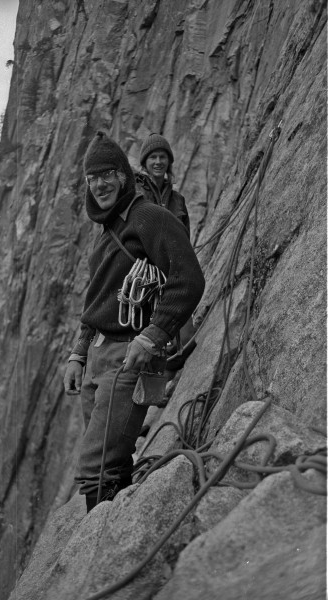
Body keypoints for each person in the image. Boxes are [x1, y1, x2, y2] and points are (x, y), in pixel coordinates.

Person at [64, 131, 205, 513]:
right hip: (98, 356)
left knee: (96, 465)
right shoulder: (109, 227)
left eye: (107, 174)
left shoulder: (149, 217)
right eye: (92, 178)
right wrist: (78, 354)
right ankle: (119, 524)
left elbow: (188, 279)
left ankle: (100, 554)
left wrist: (152, 336)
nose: (100, 184)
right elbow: (98, 298)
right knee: (114, 457)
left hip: (128, 355)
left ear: (124, 175)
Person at [136, 132, 190, 235]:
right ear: (144, 162)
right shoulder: (135, 193)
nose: (158, 161)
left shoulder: (179, 200)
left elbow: (186, 241)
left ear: (168, 161)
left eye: (162, 157)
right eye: (153, 157)